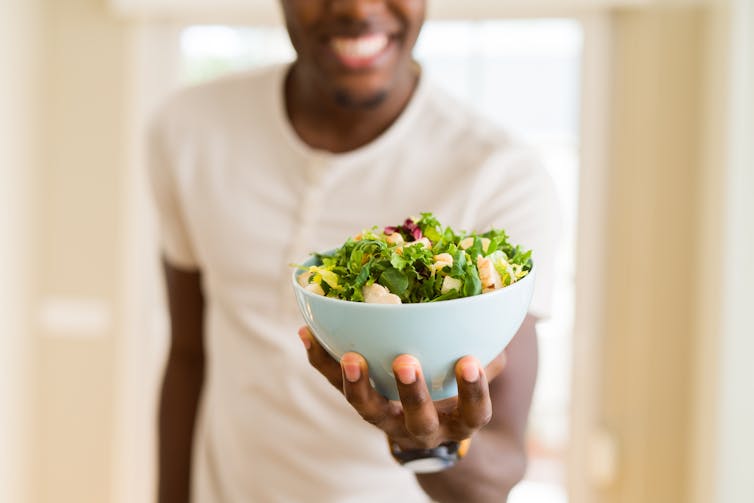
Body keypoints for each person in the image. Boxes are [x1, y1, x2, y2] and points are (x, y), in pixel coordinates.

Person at [149, 1, 560, 502]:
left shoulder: (501, 176)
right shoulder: (188, 128)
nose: (356, 7)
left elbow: (497, 474)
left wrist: (424, 445)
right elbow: (189, 356)